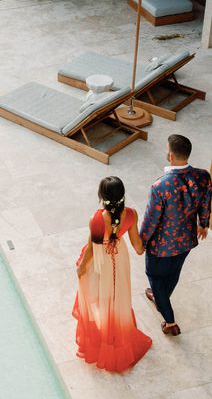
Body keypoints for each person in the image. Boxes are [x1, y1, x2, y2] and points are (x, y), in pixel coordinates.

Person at [73, 176, 152, 372]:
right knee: (118, 296)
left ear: (102, 196)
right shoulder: (132, 214)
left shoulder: (98, 218)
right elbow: (137, 246)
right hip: (120, 259)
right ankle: (116, 331)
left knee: (100, 293)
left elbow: (92, 249)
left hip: (103, 261)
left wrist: (81, 268)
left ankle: (105, 333)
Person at [141, 134, 212, 336]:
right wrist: (203, 224)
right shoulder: (203, 176)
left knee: (155, 276)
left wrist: (141, 241)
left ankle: (170, 322)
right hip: (187, 240)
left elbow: (151, 220)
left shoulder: (160, 186)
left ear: (171, 156)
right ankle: (159, 297)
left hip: (161, 246)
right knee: (173, 273)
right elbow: (206, 201)